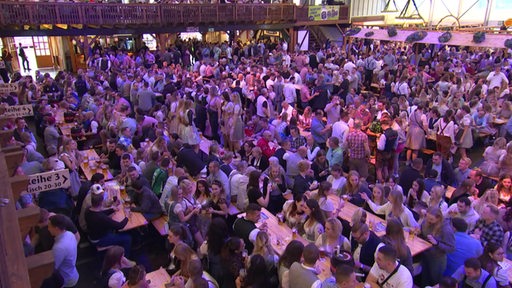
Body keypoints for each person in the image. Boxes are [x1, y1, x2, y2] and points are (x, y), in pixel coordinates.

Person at [419, 207, 456, 286]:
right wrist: (418, 233)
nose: (428, 221)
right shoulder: (426, 221)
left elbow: (451, 248)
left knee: (434, 281)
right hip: (425, 255)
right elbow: (423, 234)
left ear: (438, 218)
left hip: (437, 260)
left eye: (431, 219)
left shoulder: (446, 229)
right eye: (427, 218)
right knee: (424, 280)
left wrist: (437, 243)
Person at [48, 214, 79, 288]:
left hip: (65, 279)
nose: (48, 229)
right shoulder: (70, 234)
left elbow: (53, 267)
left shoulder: (59, 248)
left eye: (49, 226)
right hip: (72, 273)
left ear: (56, 228)